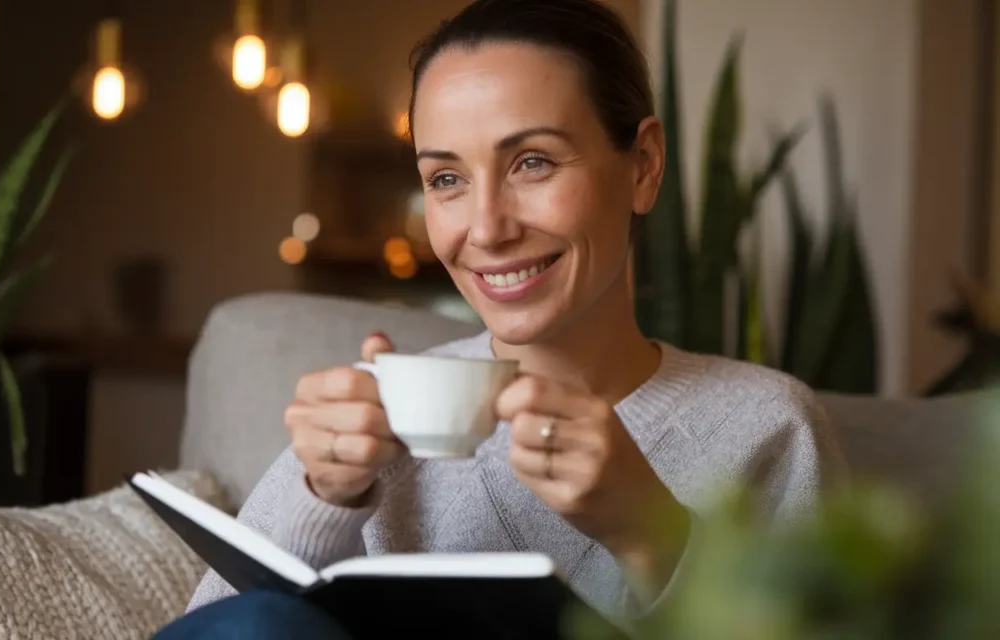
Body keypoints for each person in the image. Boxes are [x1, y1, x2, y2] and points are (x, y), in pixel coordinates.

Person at [154, 0, 846, 637]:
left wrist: (652, 535)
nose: (485, 229)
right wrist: (321, 500)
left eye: (533, 162)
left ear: (642, 165)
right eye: (446, 179)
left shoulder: (766, 426)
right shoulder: (378, 413)